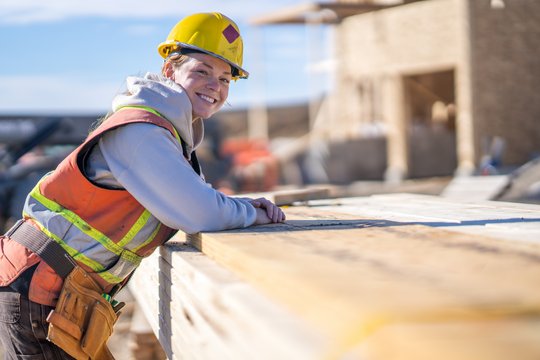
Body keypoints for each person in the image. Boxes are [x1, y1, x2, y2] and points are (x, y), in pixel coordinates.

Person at [0, 12, 285, 359]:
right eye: (202, 71)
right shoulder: (142, 132)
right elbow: (201, 212)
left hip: (58, 286)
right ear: (169, 70)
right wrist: (252, 214)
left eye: (226, 79)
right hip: (42, 285)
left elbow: (196, 199)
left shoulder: (168, 133)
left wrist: (244, 206)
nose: (216, 86)